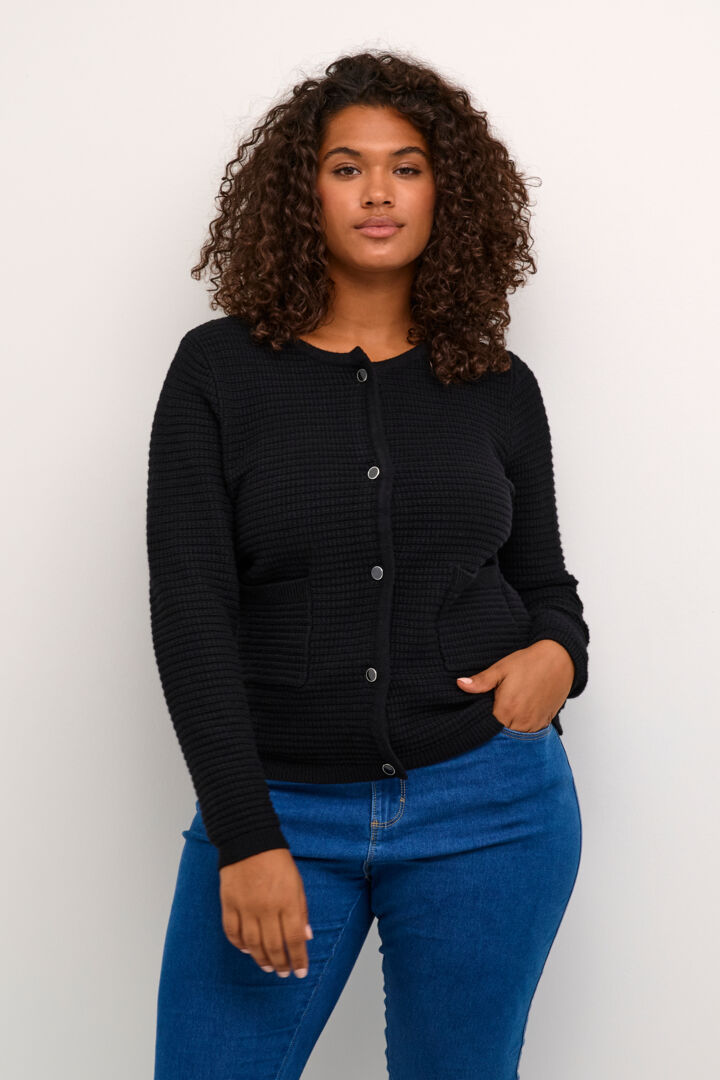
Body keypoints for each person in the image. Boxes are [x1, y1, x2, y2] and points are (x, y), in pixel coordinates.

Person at [146, 49, 589, 1080]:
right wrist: (246, 835)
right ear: (301, 193)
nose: (378, 191)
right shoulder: (218, 372)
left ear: (447, 194)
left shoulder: (497, 384)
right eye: (347, 167)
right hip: (280, 808)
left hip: (492, 806)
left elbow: (546, 584)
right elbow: (192, 610)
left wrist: (559, 657)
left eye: (407, 166)